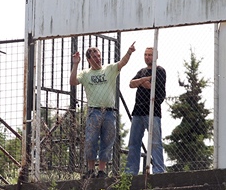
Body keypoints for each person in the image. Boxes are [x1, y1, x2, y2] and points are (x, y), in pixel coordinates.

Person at [70, 42, 136, 178]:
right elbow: (72, 82)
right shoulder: (85, 74)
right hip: (94, 111)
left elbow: (122, 63)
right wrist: (75, 64)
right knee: (91, 140)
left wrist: (129, 52)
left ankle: (101, 170)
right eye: (94, 57)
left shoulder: (109, 69)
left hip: (109, 112)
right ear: (89, 59)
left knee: (107, 140)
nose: (97, 59)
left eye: (99, 56)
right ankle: (90, 170)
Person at [125, 47, 167, 175]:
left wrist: (142, 83)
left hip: (152, 111)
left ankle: (159, 170)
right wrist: (143, 80)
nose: (147, 57)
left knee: (155, 142)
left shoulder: (159, 71)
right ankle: (131, 171)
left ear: (156, 56)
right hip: (138, 111)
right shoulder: (142, 71)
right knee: (134, 142)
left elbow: (157, 89)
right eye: (145, 54)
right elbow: (131, 84)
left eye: (150, 55)